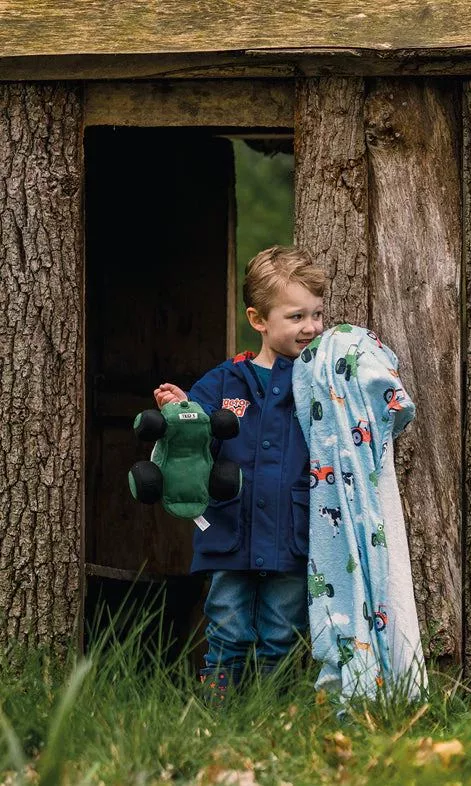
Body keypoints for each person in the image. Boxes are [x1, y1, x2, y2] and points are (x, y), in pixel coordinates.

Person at [154, 245, 326, 700]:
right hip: (230, 531)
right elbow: (193, 433)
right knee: (227, 631)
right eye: (296, 316)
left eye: (317, 315)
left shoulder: (321, 379)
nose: (311, 327)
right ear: (258, 320)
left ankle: (271, 717)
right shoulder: (225, 382)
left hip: (292, 534)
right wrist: (178, 409)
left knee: (281, 636)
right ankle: (218, 714)